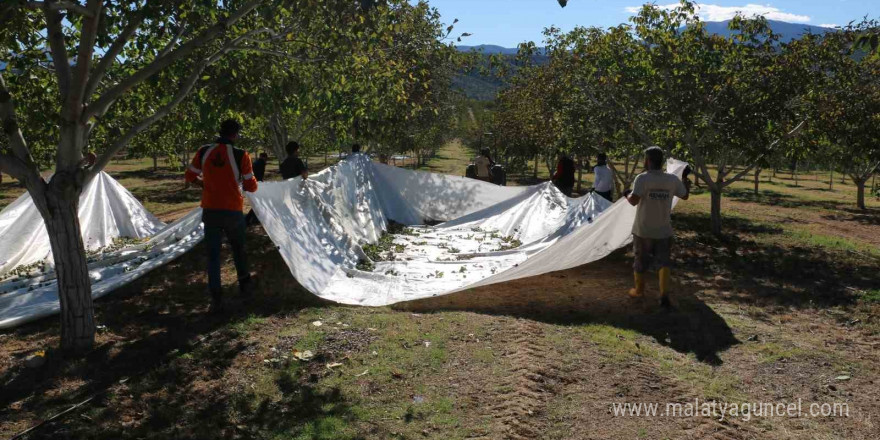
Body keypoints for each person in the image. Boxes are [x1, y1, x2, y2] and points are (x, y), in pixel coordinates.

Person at [185, 119, 258, 313]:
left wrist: (205, 184)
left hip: (211, 210)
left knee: (213, 255)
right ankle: (245, 286)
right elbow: (251, 185)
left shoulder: (203, 151)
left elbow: (190, 175)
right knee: (239, 250)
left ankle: (216, 295)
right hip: (233, 210)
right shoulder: (242, 155)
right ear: (236, 134)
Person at [624, 146, 690, 307]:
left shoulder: (642, 178)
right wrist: (686, 182)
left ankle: (639, 291)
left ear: (648, 161)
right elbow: (685, 195)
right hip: (663, 230)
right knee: (664, 262)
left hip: (643, 230)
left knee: (640, 261)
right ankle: (663, 295)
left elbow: (633, 201)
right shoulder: (672, 180)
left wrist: (626, 193)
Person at [245, 152, 269, 226]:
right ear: (264, 157)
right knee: (258, 203)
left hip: (253, 184)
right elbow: (260, 175)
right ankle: (250, 219)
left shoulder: (256, 162)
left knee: (257, 203)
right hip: (257, 184)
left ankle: (249, 219)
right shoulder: (261, 163)